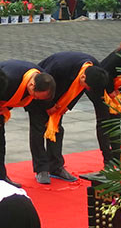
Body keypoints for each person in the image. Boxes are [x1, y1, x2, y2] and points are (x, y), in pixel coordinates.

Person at [26, 51, 110, 184]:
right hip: (38, 93)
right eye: (87, 86)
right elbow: (42, 84)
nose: (87, 89)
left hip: (60, 96)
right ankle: (41, 169)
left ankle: (56, 167)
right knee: (39, 128)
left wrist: (67, 105)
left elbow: (80, 89)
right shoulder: (60, 66)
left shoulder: (94, 68)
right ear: (83, 76)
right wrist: (49, 106)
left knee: (57, 129)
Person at [0, 61, 56, 185]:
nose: (34, 99)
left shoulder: (41, 76)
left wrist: (6, 108)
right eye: (35, 96)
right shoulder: (10, 78)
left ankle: (1, 177)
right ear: (32, 85)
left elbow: (16, 98)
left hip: (1, 104)